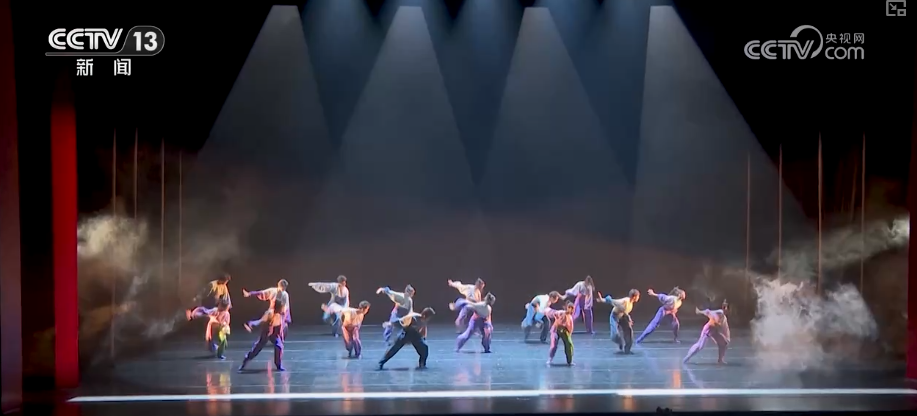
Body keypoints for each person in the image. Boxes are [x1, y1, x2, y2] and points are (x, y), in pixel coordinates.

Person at [238, 300, 285, 372]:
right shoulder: (269, 313)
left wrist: (281, 337)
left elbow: (279, 327)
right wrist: (252, 323)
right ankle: (245, 361)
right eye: (281, 308)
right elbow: (261, 321)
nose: (283, 309)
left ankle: (278, 365)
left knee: (279, 346)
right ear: (278, 308)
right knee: (257, 348)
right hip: (266, 332)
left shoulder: (279, 316)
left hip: (274, 333)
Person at [596, 289, 640, 354]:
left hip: (622, 317)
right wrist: (603, 300)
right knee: (615, 335)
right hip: (615, 316)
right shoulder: (625, 301)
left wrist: (629, 319)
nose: (638, 298)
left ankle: (627, 349)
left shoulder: (631, 303)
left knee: (629, 331)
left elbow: (625, 312)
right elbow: (614, 301)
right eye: (638, 296)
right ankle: (620, 342)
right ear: (634, 297)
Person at [545, 302, 576, 366]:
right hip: (556, 329)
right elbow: (554, 313)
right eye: (569, 308)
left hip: (564, 331)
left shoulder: (570, 317)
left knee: (569, 344)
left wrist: (569, 335)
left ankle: (569, 361)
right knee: (553, 345)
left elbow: (571, 328)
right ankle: (550, 359)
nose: (570, 309)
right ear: (567, 308)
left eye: (572, 308)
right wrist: (556, 318)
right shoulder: (561, 312)